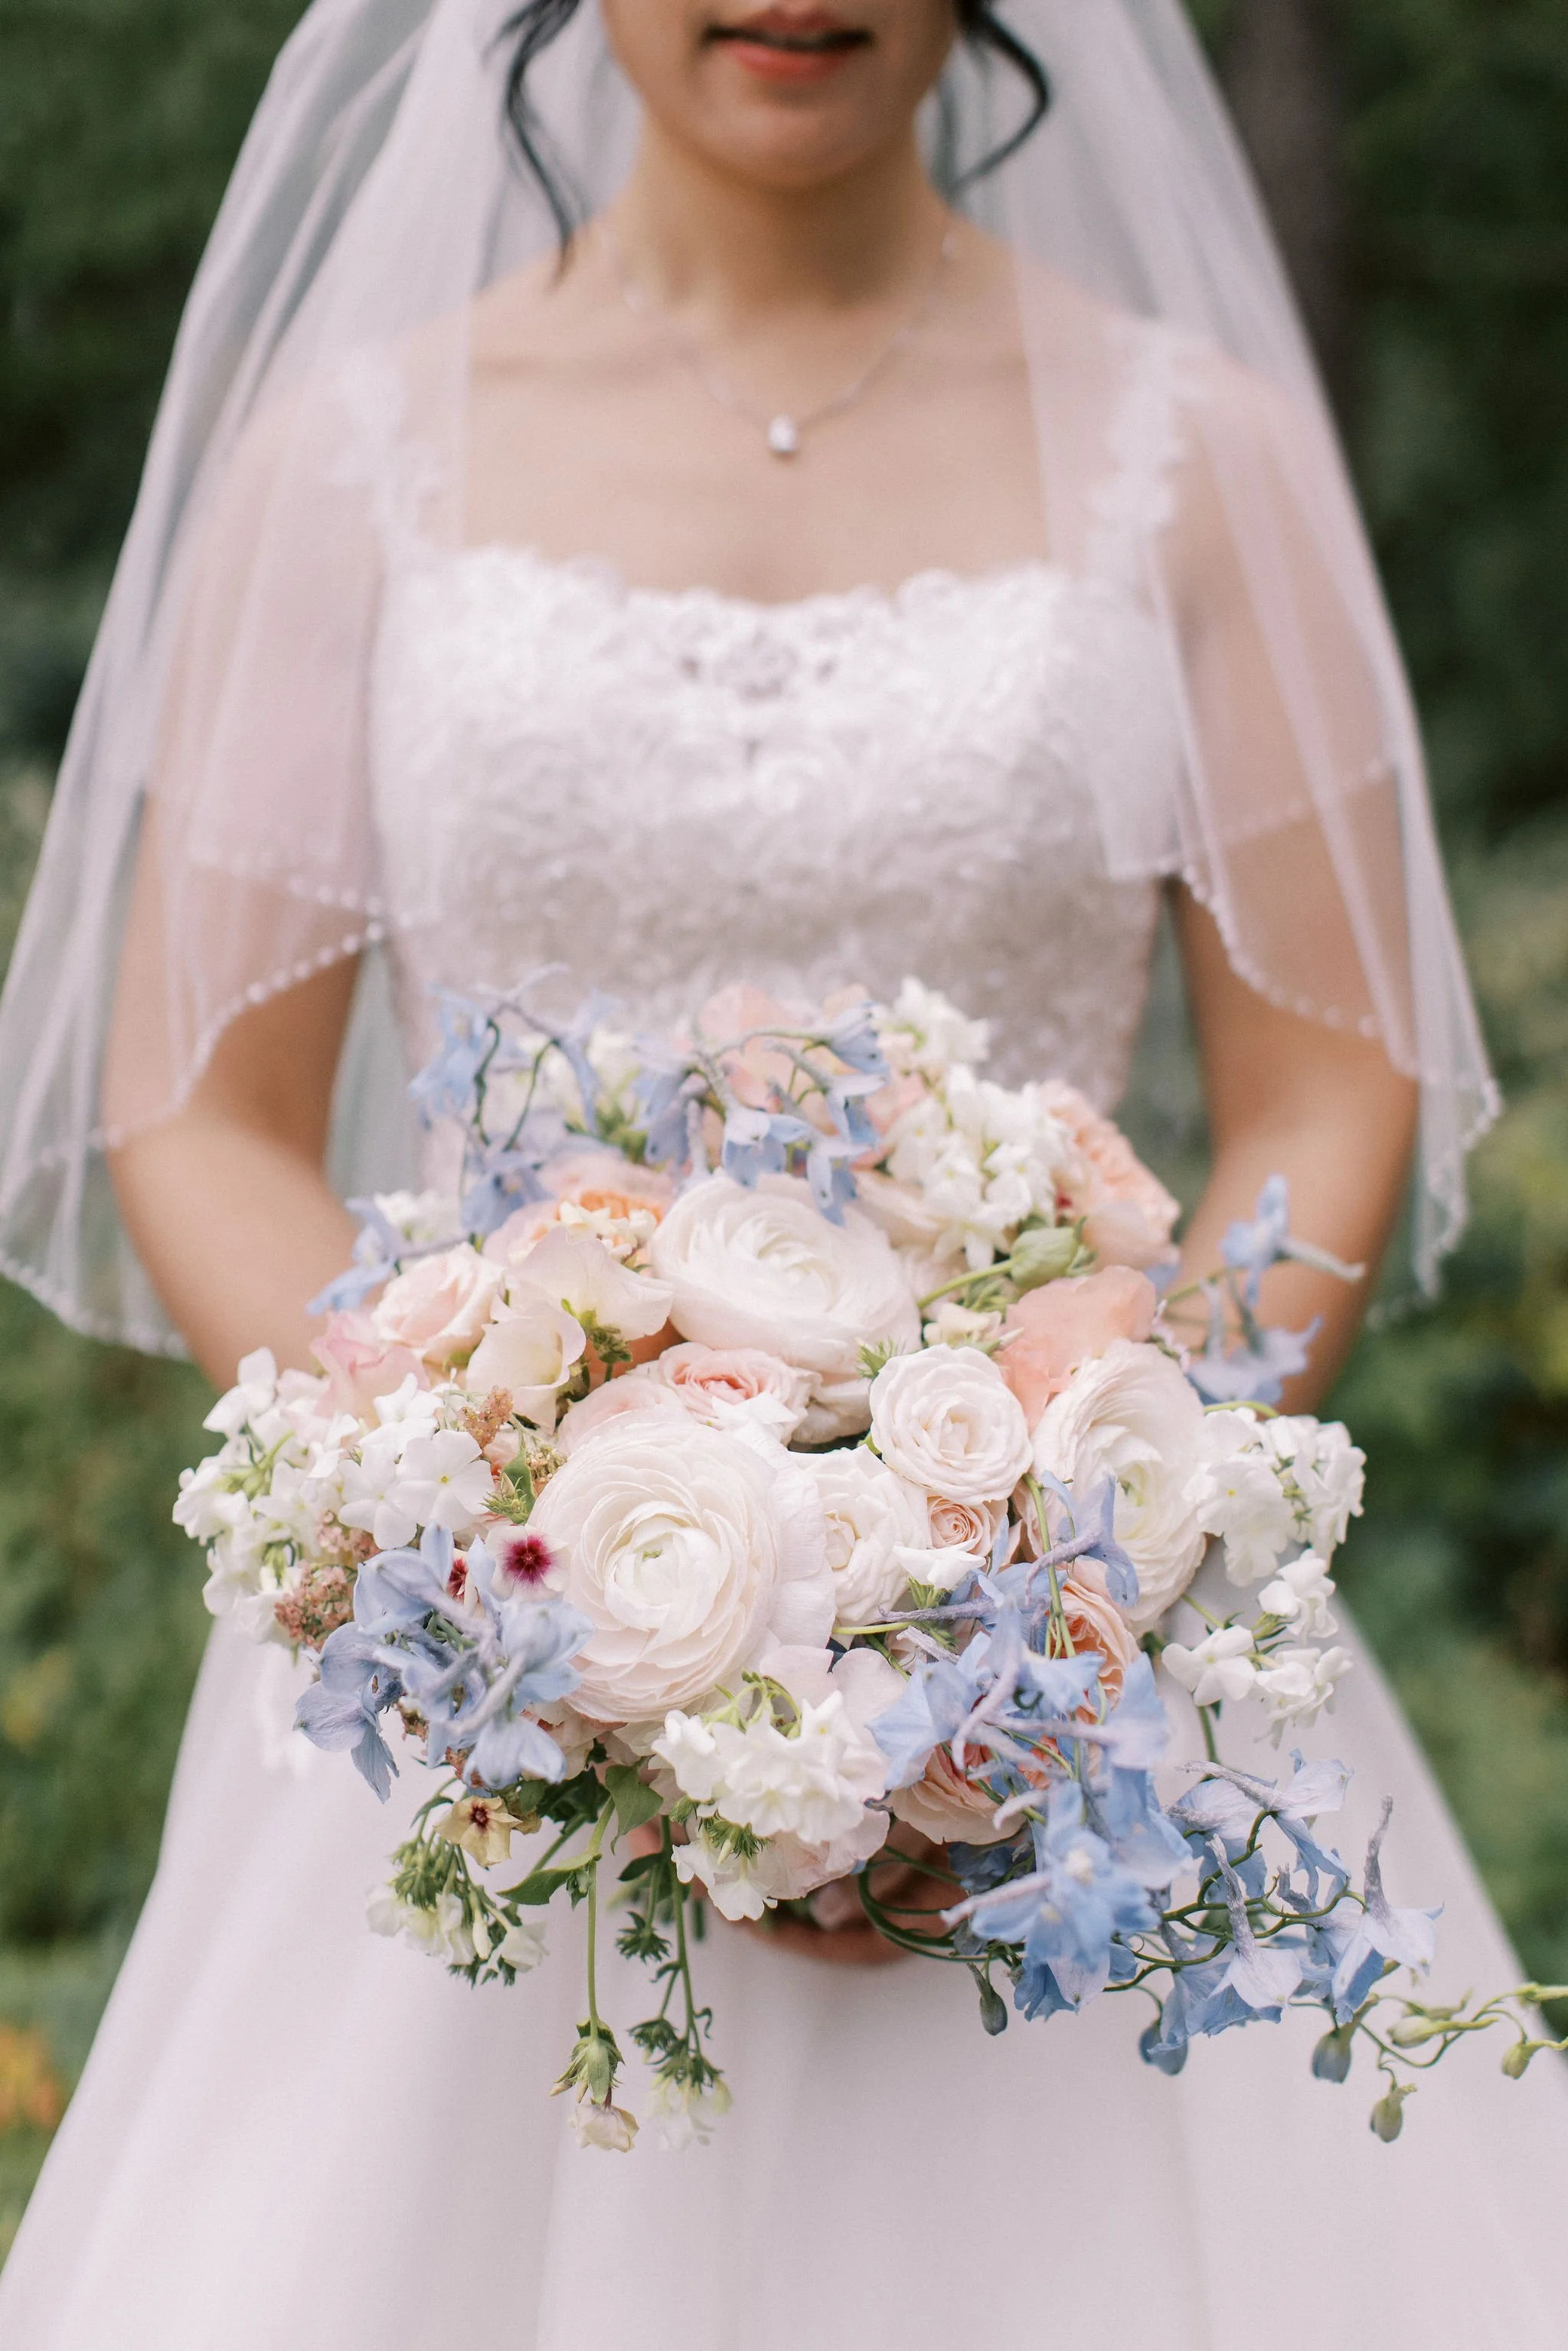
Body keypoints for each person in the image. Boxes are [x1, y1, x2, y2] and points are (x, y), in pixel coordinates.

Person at [0, 2, 1563, 2343]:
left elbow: (1326, 1088)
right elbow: (196, 1109)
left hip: (1088, 1711)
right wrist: (487, 1539)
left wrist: (1078, 1559)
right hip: (483, 1707)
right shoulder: (342, 462)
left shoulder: (1198, 456)